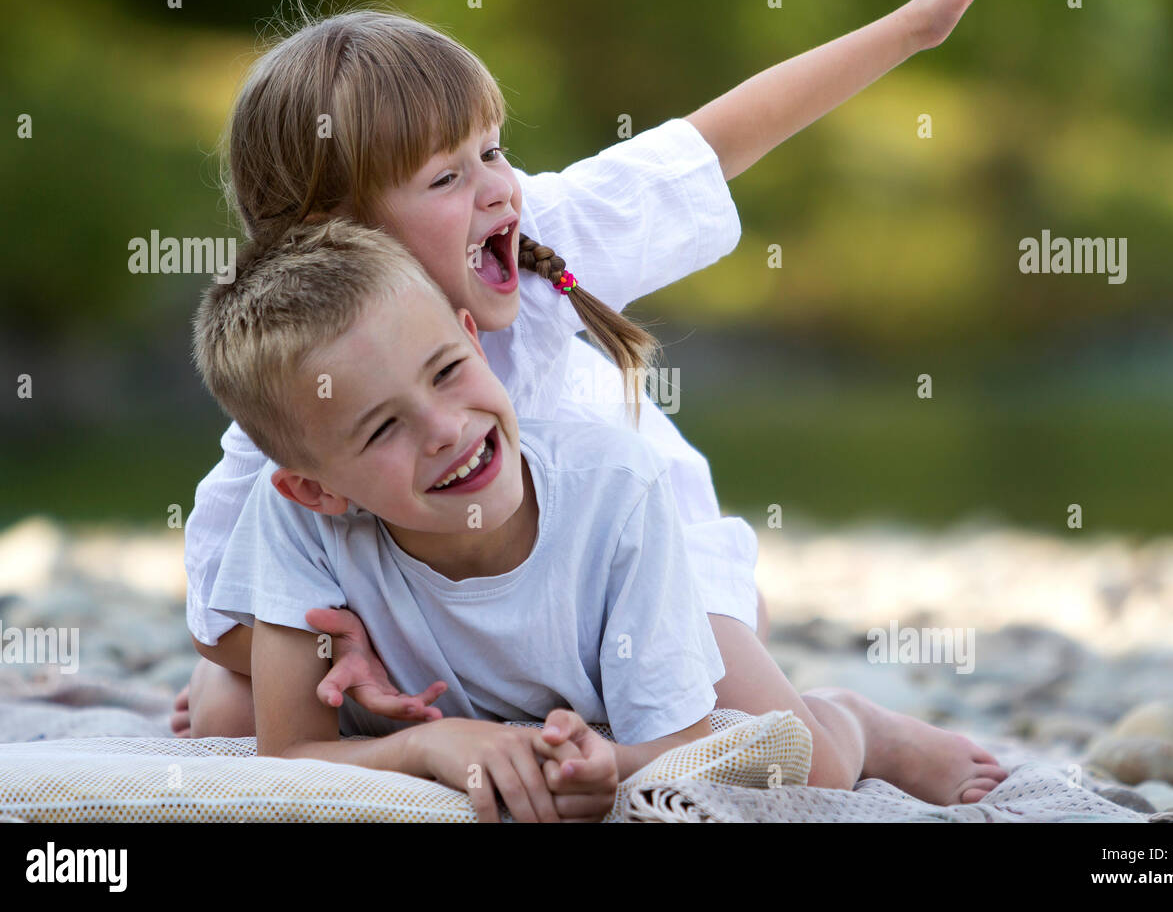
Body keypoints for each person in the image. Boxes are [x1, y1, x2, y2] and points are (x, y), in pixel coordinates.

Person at [177, 0, 1010, 807]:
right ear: (335, 231)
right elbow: (220, 609)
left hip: (636, 556)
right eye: (446, 176)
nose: (498, 188)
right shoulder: (302, 388)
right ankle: (504, 716)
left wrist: (912, 27)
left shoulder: (541, 234)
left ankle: (860, 723)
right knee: (222, 716)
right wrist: (343, 653)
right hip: (447, 600)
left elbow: (713, 143)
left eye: (491, 150)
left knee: (790, 756)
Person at [194, 218, 1003, 821]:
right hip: (432, 706)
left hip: (609, 685)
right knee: (222, 718)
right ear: (318, 491)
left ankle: (861, 724)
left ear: (473, 338)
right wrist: (429, 745)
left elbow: (687, 743)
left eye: (447, 372)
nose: (445, 429)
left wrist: (610, 761)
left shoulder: (614, 489)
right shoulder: (296, 524)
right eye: (381, 429)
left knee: (801, 768)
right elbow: (289, 752)